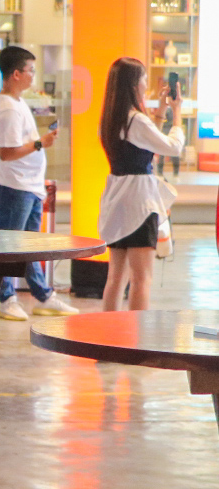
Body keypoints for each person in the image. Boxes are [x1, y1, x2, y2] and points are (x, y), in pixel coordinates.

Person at [0, 46, 78, 321]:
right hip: (14, 187)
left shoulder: (16, 103)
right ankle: (5, 298)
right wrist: (40, 143)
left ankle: (43, 296)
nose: (33, 75)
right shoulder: (7, 109)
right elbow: (7, 152)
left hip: (27, 186)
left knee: (28, 245)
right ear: (16, 74)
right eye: (30, 70)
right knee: (8, 246)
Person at [99, 56, 182, 311]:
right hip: (140, 204)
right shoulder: (136, 119)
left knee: (116, 277)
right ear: (135, 84)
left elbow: (144, 142)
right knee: (141, 279)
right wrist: (176, 116)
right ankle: (137, 332)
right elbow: (173, 147)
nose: (147, 84)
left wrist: (159, 113)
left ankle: (107, 330)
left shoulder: (110, 119)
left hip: (116, 199)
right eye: (145, 78)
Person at [159, 71, 183, 178]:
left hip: (168, 128)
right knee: (163, 152)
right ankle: (161, 171)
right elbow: (175, 147)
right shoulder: (138, 119)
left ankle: (175, 172)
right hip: (166, 129)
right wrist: (176, 109)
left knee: (170, 153)